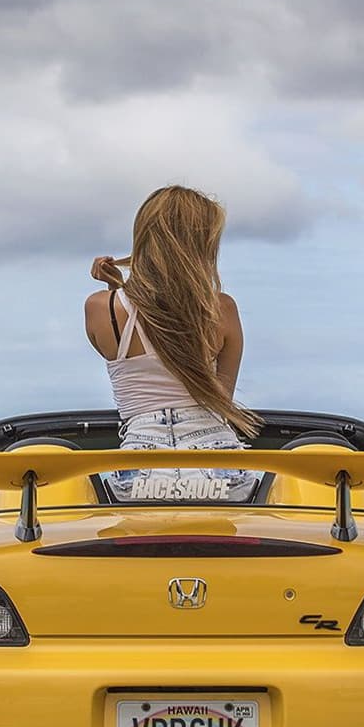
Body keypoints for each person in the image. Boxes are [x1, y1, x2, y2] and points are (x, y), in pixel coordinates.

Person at [84, 185, 261, 501]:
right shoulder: (222, 310)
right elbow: (218, 400)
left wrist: (116, 290)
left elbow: (134, 326)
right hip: (215, 464)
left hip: (142, 469)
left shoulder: (101, 308)